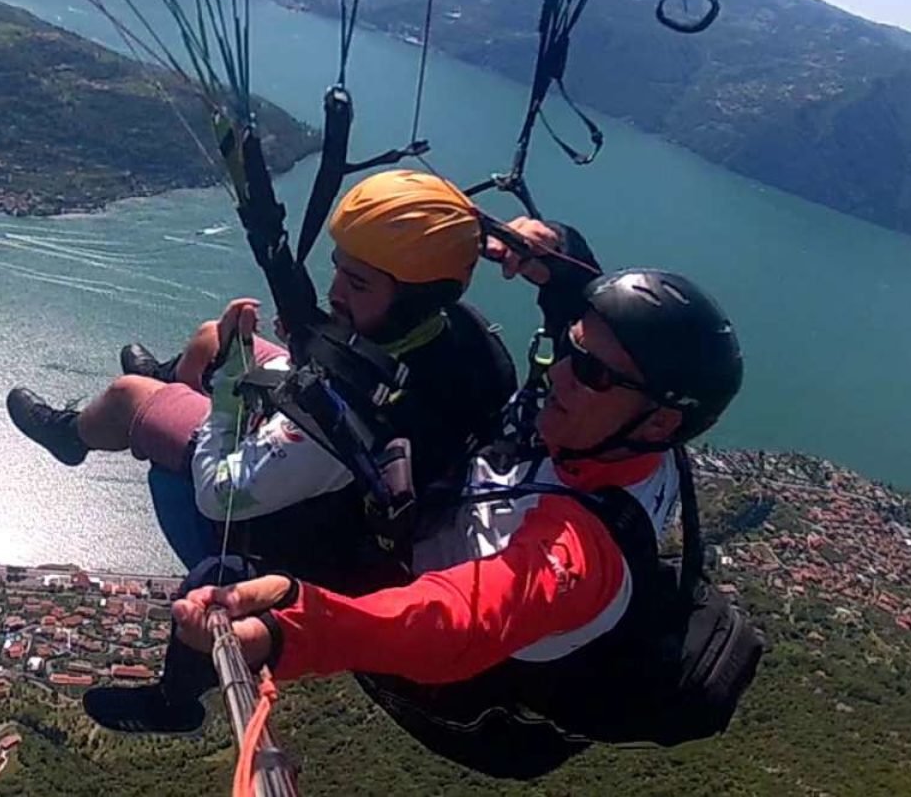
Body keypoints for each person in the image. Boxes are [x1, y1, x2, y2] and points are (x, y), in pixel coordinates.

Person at [166, 268, 752, 777]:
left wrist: (296, 626)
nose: (562, 373)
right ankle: (167, 386)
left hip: (444, 673)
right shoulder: (623, 441)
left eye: (592, 374)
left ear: (658, 423)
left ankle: (174, 699)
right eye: (571, 348)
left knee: (204, 517)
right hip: (433, 524)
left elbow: (456, 618)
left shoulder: (576, 557)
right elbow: (604, 343)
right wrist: (558, 261)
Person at [5, 170, 518, 576]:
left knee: (128, 396)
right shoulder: (463, 336)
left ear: (413, 300)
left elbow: (219, 493)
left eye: (357, 284)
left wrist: (229, 387)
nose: (335, 290)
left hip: (292, 528)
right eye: (339, 268)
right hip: (352, 471)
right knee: (213, 336)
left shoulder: (344, 415)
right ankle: (175, 378)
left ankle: (72, 434)